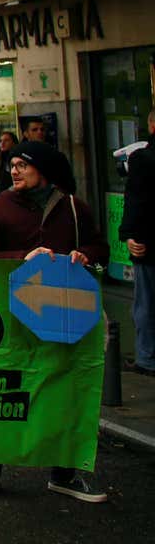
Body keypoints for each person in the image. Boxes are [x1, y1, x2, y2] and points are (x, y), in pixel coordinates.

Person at [0, 140, 109, 502]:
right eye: (11, 165)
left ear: (43, 170)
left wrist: (83, 255)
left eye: (22, 165)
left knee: (62, 391)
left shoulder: (74, 208)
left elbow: (99, 247)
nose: (14, 170)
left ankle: (64, 473)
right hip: (12, 316)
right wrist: (21, 257)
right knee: (3, 390)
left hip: (63, 314)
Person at [123, 111, 153, 376]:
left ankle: (147, 358)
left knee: (146, 304)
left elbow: (137, 202)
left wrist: (131, 235)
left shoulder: (142, 159)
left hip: (149, 246)